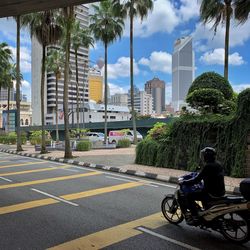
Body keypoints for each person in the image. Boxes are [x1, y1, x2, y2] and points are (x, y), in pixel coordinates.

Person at [181, 147, 225, 225]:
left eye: (204, 155)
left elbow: (196, 180)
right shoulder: (218, 164)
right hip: (220, 191)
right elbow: (211, 177)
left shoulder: (208, 166)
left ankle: (195, 217)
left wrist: (185, 182)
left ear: (207, 156)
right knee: (200, 192)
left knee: (189, 196)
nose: (203, 157)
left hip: (211, 192)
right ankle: (204, 212)